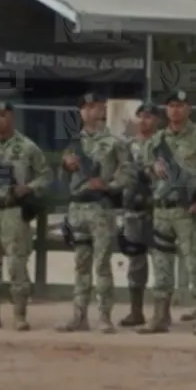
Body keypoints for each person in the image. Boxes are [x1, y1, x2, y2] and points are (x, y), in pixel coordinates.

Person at [139, 90, 196, 334]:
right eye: (172, 105)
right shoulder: (157, 140)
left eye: (181, 105)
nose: (176, 110)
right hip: (162, 210)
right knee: (161, 266)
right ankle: (160, 317)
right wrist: (153, 166)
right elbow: (143, 165)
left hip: (189, 211)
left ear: (188, 109)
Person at [0, 101, 50, 332]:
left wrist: (29, 188)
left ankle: (19, 315)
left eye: (3, 115)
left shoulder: (27, 147)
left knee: (17, 264)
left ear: (12, 117)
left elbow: (45, 176)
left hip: (13, 210)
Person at [58, 93, 131, 334]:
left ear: (102, 110)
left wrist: (109, 185)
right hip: (78, 208)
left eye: (95, 107)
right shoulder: (73, 142)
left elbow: (128, 173)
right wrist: (65, 167)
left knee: (101, 265)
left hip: (101, 208)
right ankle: (79, 316)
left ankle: (104, 317)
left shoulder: (115, 142)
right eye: (86, 107)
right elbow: (63, 181)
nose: (90, 112)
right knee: (80, 265)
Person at [116, 103, 158, 327]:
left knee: (161, 261)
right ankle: (136, 311)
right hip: (133, 209)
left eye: (149, 117)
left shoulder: (163, 144)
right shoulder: (127, 146)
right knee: (135, 260)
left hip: (157, 210)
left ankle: (162, 313)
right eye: (141, 116)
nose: (144, 120)